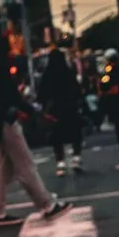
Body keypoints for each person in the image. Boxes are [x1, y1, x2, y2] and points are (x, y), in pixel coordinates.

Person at [0, 22, 61, 226]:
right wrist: (32, 112)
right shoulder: (0, 71)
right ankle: (46, 205)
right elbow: (12, 98)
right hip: (7, 122)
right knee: (25, 165)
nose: (12, 49)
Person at [36, 36, 87, 177]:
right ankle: (76, 158)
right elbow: (77, 90)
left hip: (55, 110)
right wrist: (80, 102)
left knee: (57, 136)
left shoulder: (47, 75)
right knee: (75, 133)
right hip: (70, 107)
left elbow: (41, 94)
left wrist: (43, 106)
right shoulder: (68, 73)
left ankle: (60, 163)